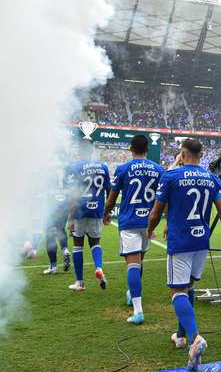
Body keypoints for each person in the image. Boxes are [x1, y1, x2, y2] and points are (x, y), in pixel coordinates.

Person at [147, 138, 221, 370]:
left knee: (178, 291)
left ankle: (196, 338)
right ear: (201, 154)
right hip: (201, 240)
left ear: (182, 153)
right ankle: (181, 335)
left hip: (180, 240)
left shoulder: (171, 176)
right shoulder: (213, 178)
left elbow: (157, 211)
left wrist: (149, 230)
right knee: (188, 286)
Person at [103, 135, 166, 324]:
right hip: (148, 222)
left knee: (132, 264)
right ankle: (132, 293)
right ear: (147, 149)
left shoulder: (123, 169)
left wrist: (106, 213)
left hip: (129, 222)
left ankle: (138, 311)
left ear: (131, 148)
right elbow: (163, 199)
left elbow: (113, 196)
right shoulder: (158, 169)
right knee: (139, 261)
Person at [65, 141, 110, 292]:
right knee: (95, 242)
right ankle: (99, 267)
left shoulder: (75, 166)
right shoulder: (103, 167)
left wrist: (71, 218)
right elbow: (110, 190)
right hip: (97, 210)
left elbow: (73, 194)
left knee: (78, 245)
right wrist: (107, 212)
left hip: (80, 211)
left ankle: (80, 282)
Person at [43, 170, 71, 274]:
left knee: (50, 236)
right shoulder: (65, 181)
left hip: (53, 210)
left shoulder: (50, 183)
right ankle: (65, 249)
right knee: (60, 229)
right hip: (64, 210)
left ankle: (53, 266)